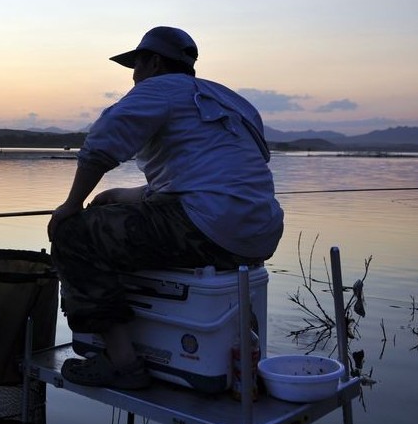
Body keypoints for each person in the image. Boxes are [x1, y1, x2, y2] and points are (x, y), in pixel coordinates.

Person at [47, 26, 284, 390]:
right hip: (259, 234)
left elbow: (100, 146)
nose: (133, 75)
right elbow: (203, 182)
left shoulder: (158, 89)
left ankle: (123, 365)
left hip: (206, 226)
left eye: (137, 64)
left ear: (155, 62)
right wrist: (118, 195)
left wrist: (72, 205)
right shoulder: (229, 100)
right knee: (111, 224)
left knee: (74, 235)